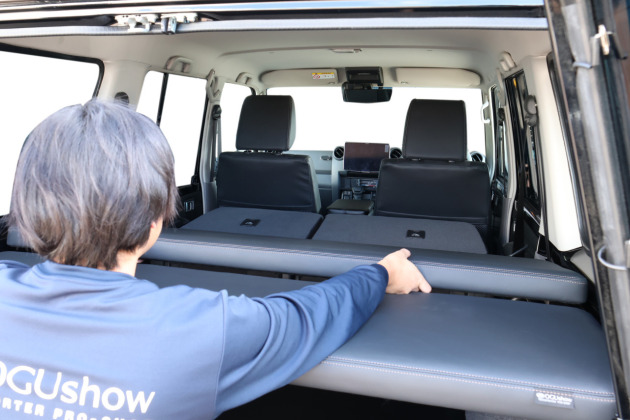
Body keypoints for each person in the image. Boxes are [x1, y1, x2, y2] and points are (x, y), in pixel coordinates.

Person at [0, 99, 431, 420]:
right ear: (156, 221)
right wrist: (382, 272)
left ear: (26, 204)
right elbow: (308, 316)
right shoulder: (201, 328)